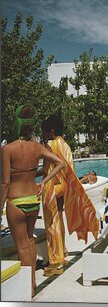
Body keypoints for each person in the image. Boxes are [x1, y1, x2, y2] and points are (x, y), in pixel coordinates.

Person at [0, 104, 64, 294]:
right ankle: (33, 281)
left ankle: (27, 286)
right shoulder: (37, 147)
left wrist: (0, 205)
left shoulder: (7, 149)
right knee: (29, 241)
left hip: (16, 201)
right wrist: (44, 181)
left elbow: (5, 183)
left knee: (22, 246)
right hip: (33, 200)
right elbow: (60, 163)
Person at [40, 115, 99, 276]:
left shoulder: (50, 144)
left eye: (44, 132)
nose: (43, 135)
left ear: (51, 131)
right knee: (59, 219)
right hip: (65, 186)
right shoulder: (65, 144)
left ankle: (56, 262)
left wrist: (30, 174)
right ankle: (62, 253)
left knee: (52, 223)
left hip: (53, 186)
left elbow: (46, 169)